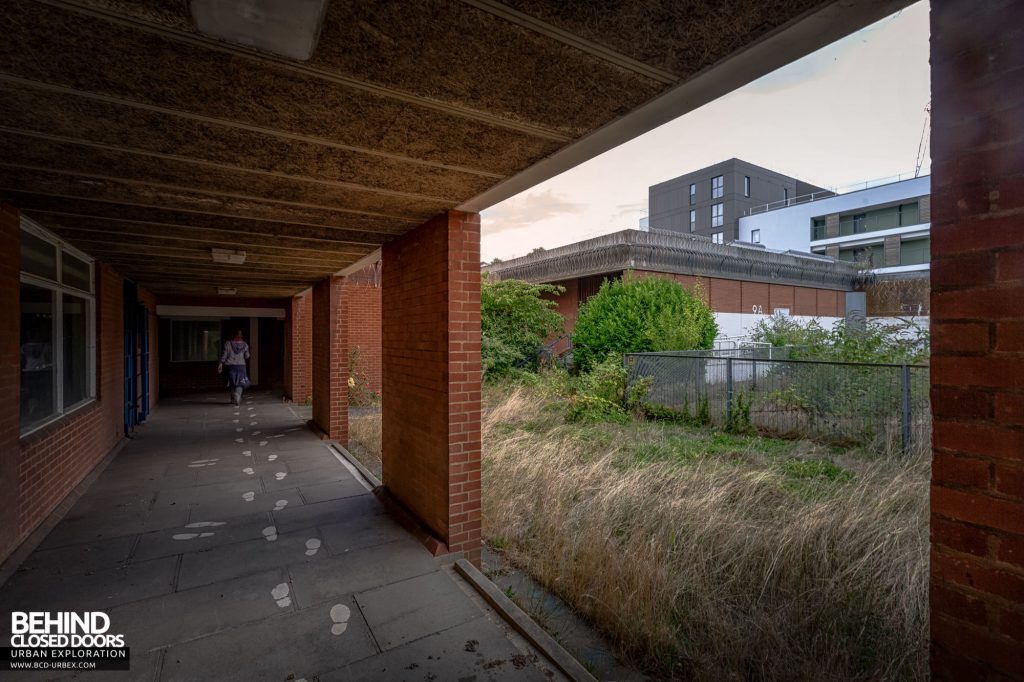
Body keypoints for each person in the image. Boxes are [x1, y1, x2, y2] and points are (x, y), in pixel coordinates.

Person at [217, 330, 251, 406]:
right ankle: (237, 395)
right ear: (241, 336)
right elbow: (247, 356)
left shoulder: (227, 343)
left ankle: (233, 399)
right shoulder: (245, 344)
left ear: (233, 335)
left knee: (232, 382)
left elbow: (224, 355)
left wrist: (220, 363)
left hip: (230, 366)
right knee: (240, 382)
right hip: (241, 366)